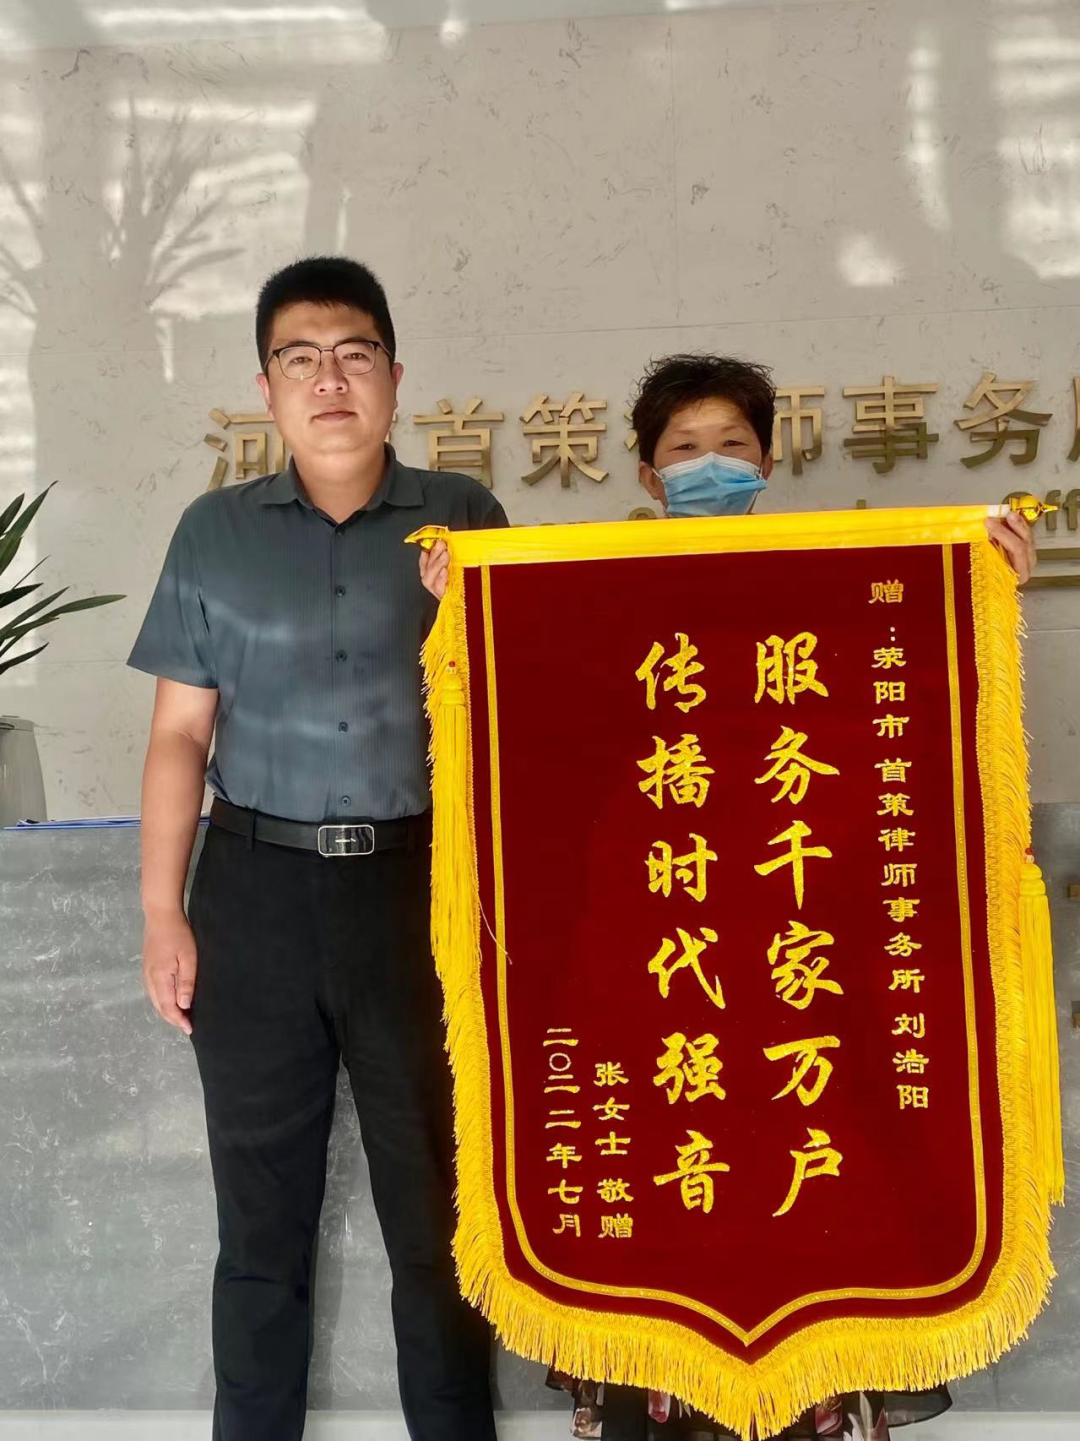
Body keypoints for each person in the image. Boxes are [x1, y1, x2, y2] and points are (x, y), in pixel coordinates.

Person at [419, 353, 1036, 1441]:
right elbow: (544, 754)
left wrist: (985, 589)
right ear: (648, 475)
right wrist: (464, 611)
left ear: (769, 461)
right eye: (686, 449)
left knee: (797, 1172)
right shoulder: (587, 598)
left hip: (799, 946)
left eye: (734, 447)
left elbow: (905, 716)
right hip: (652, 946)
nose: (712, 465)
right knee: (670, 1175)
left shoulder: (824, 587)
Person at [130, 255, 506, 1441]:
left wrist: (471, 612)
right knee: (259, 1227)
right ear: (267, 388)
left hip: (420, 892)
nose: (328, 380)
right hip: (254, 894)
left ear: (394, 376)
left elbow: (518, 715)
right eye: (300, 360)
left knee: (439, 1221)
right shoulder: (214, 531)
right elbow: (180, 735)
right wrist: (162, 910)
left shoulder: (466, 517)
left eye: (353, 356)